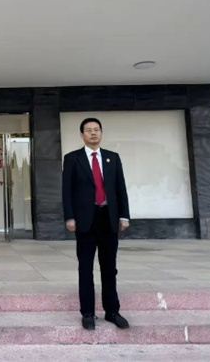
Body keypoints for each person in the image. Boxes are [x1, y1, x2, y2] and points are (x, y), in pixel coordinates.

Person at [62, 118, 130, 330]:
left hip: (108, 218)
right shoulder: (72, 158)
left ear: (101, 133)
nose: (93, 133)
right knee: (85, 268)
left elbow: (120, 188)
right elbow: (67, 191)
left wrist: (124, 215)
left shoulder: (112, 157)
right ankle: (88, 313)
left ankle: (112, 311)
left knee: (109, 268)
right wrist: (69, 217)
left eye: (97, 130)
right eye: (89, 130)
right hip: (85, 221)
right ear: (82, 134)